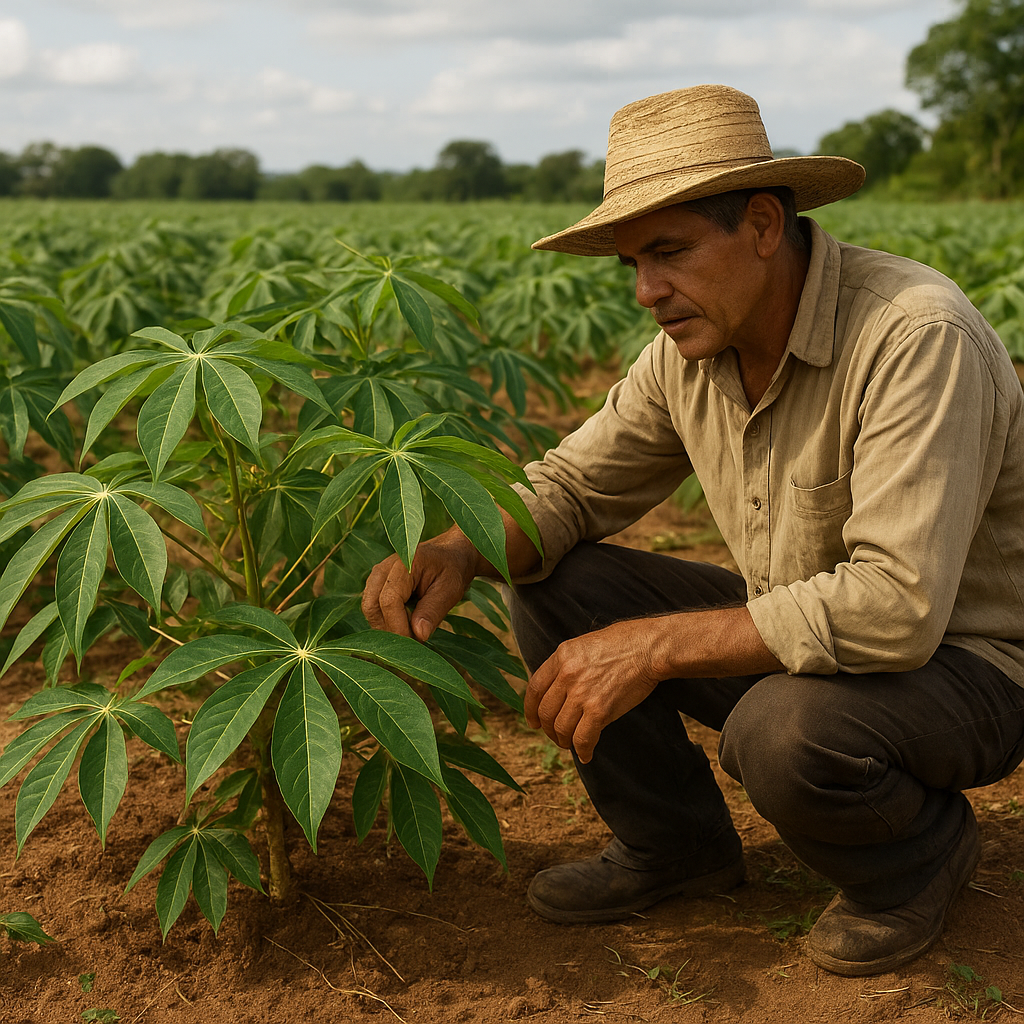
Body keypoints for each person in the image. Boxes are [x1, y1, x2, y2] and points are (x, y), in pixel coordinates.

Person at [362, 84, 1024, 977]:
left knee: (780, 732)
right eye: (633, 263)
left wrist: (653, 647)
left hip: (970, 663)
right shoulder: (689, 351)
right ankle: (677, 848)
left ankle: (917, 860)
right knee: (563, 587)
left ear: (762, 224)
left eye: (669, 252)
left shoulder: (914, 335)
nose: (647, 291)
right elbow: (571, 489)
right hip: (817, 638)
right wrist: (459, 547)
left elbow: (896, 607)